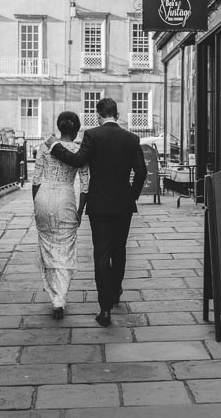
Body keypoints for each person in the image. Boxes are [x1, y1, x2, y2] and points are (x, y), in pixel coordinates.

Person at [46, 98, 146, 327]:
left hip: (99, 205)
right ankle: (115, 290)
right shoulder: (131, 138)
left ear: (99, 115)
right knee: (119, 249)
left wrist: (54, 146)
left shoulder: (92, 135)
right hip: (123, 205)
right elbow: (141, 171)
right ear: (117, 114)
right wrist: (132, 196)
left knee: (101, 254)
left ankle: (105, 310)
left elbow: (77, 160)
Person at [32, 111, 89, 320]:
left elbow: (36, 179)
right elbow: (85, 185)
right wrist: (80, 211)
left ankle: (53, 295)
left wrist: (35, 205)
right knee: (65, 247)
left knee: (47, 245)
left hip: (44, 197)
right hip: (66, 198)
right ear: (75, 130)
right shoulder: (79, 151)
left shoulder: (45, 146)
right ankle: (60, 298)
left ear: (59, 127)